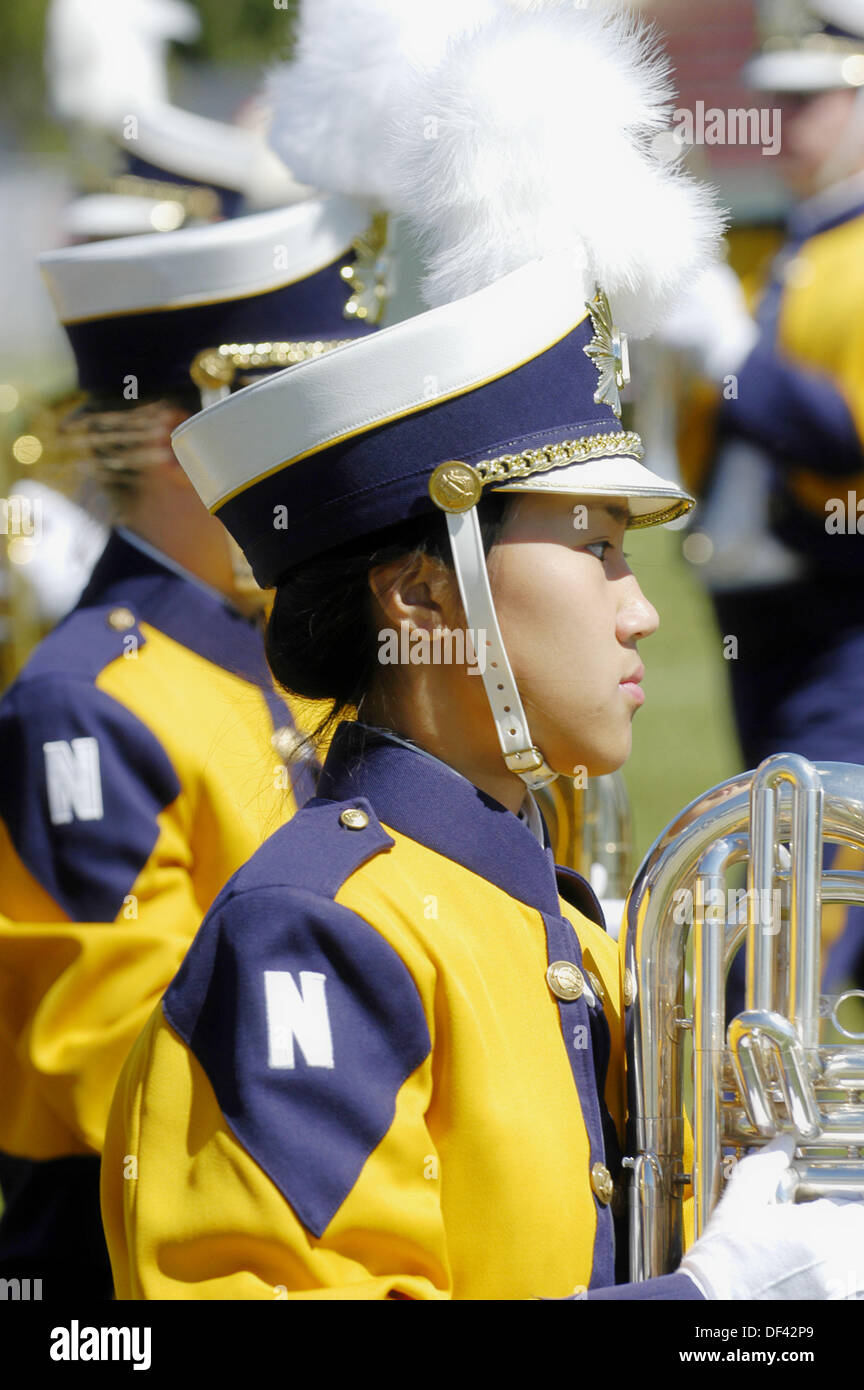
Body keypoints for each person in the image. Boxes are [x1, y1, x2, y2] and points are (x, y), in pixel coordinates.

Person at [102, 0, 864, 1300]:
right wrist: (711, 1307)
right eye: (597, 552)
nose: (638, 610)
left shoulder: (561, 918)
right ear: (418, 595)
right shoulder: (319, 933)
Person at [0, 192, 385, 1298]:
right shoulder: (85, 701)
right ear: (186, 440)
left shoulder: (273, 643)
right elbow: (108, 1068)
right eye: (305, 410)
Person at [657, 0, 864, 996]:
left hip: (847, 617)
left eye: (813, 100)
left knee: (807, 885)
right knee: (791, 854)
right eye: (774, 102)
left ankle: (756, 1107)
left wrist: (738, 353)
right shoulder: (771, 248)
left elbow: (850, 439)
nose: (784, 125)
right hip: (758, 611)